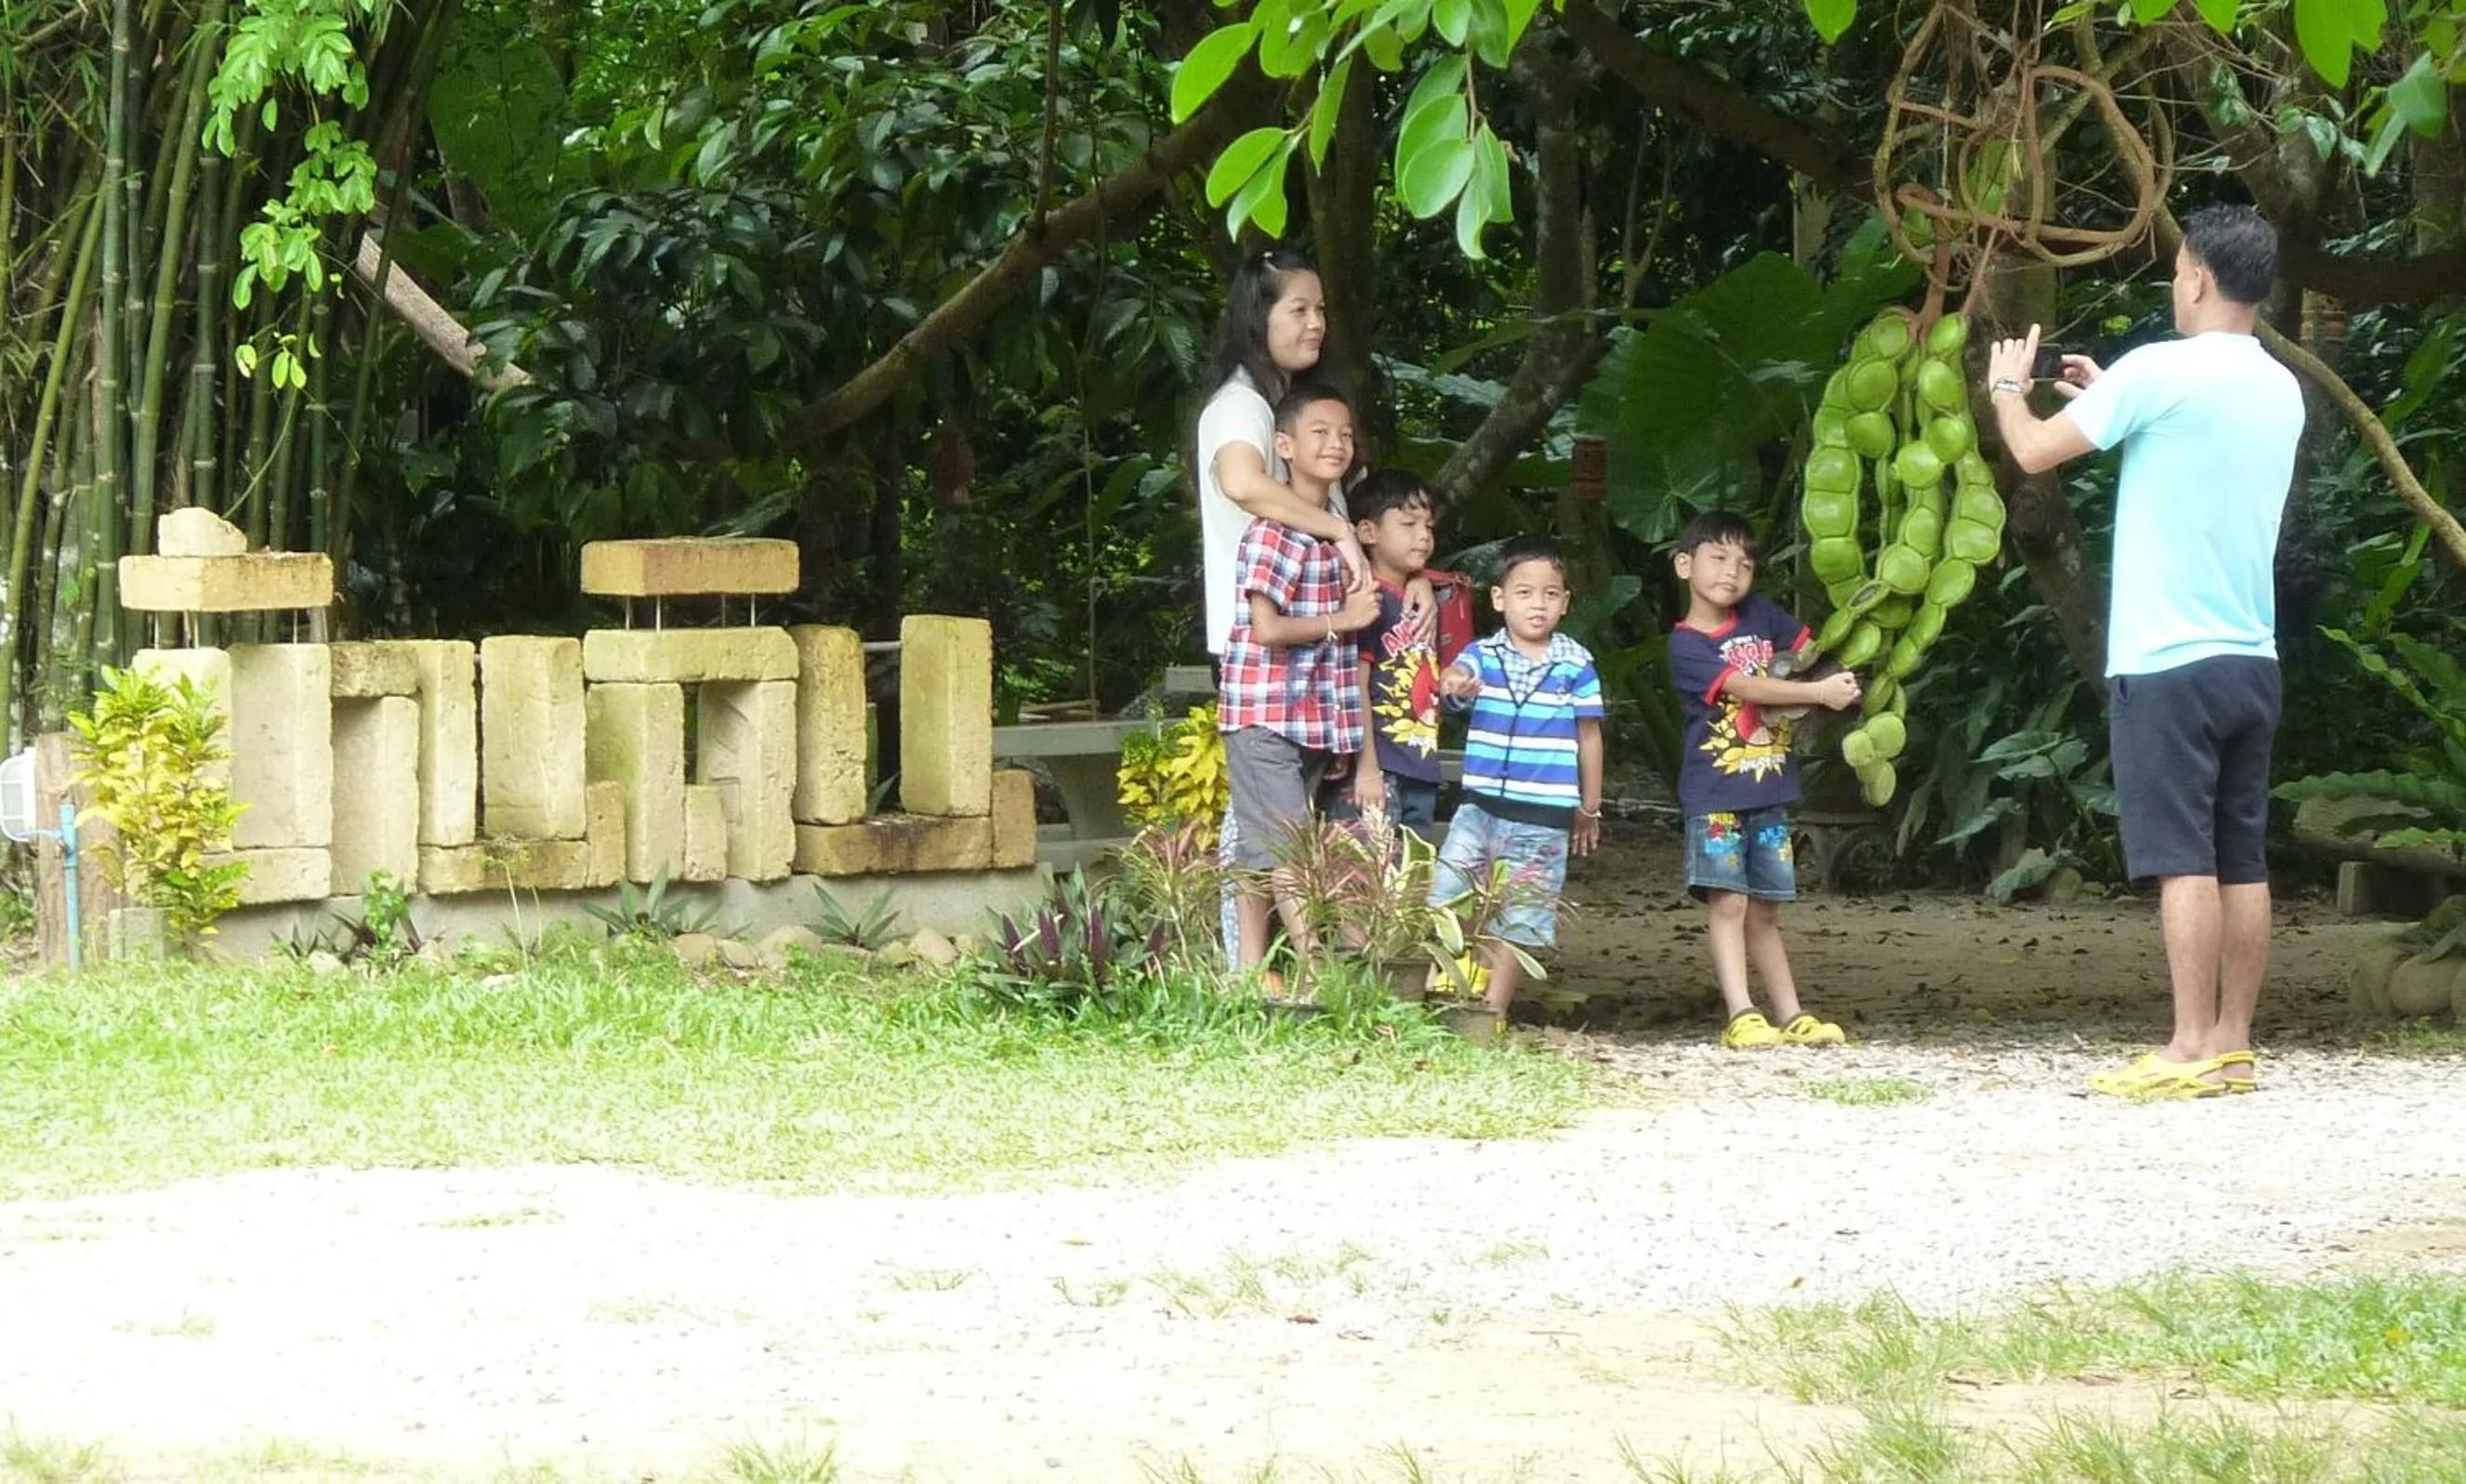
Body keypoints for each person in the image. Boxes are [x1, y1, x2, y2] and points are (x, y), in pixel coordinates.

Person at [1983, 203, 2302, 1099]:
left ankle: (2185, 1044)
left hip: (2165, 660)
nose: (2172, 282)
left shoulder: (2159, 371)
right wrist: (2112, 396)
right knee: (2242, 855)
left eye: (2175, 269)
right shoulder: (2278, 385)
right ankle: (2232, 1041)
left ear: (2199, 275)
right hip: (2249, 655)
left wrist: (2008, 389)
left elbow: (2037, 453)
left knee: (2181, 859)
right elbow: (2188, 445)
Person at [1194, 251, 1434, 960]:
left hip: (1318, 666)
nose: (1315, 323)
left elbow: (1369, 532)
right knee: (1266, 833)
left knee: (1273, 829)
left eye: (1321, 309)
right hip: (1263, 654)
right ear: (1255, 316)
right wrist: (1331, 525)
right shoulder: (1239, 405)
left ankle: (1263, 971)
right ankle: (1268, 971)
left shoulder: (1292, 413)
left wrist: (1409, 577)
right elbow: (1241, 483)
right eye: (1297, 308)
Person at [1665, 511, 1858, 1050]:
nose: (1732, 573)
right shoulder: (1685, 645)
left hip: (1770, 792)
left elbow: (1812, 649)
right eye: (1718, 558)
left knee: (1767, 909)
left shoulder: (1759, 613)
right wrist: (1819, 695)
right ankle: (1741, 1013)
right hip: (1714, 796)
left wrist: (1846, 671)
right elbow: (1747, 688)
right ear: (1685, 565)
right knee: (1729, 903)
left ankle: (1792, 1013)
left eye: (1744, 564)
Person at [1219, 384, 1381, 978]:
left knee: (1264, 849)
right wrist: (1346, 621)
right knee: (1289, 849)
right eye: (1319, 433)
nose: (1336, 444)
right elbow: (1266, 629)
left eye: (1344, 434)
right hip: (1265, 712)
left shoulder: (1337, 525)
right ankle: (1317, 973)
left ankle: (1249, 972)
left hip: (1314, 717)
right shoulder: (1273, 529)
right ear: (1283, 445)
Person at [1428, 535, 1605, 1019]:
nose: (1538, 604)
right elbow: (1452, 684)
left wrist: (1589, 808)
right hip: (1478, 808)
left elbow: (1589, 737)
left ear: (1565, 603)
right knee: (1448, 894)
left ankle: (1492, 1013)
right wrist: (1453, 684)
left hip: (1544, 817)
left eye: (1550, 594)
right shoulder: (1482, 655)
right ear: (1500, 599)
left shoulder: (1576, 664)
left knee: (1521, 914)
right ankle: (1445, 987)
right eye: (1524, 592)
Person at [1338, 469, 1449, 833]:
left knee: (1412, 879)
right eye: (1408, 523)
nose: (1423, 536)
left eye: (1428, 526)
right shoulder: (1368, 601)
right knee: (1368, 881)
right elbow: (1356, 683)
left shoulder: (1422, 603)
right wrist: (1366, 767)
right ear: (1368, 532)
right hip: (1377, 772)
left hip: (1420, 766)